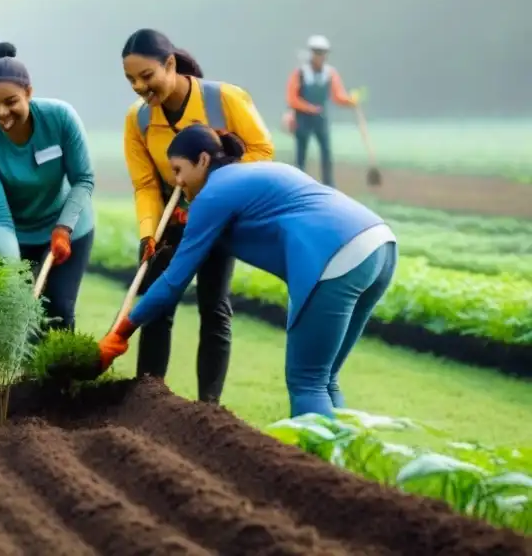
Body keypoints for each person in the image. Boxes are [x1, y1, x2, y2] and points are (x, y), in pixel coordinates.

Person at [100, 124, 397, 417]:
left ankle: (317, 464)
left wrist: (122, 331)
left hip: (335, 256)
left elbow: (173, 282)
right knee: (325, 379)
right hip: (379, 245)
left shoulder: (213, 195)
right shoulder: (249, 174)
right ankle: (343, 462)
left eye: (178, 170)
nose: (176, 182)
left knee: (307, 384)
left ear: (203, 160)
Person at [121, 28, 273, 402]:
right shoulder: (138, 121)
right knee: (156, 303)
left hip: (220, 216)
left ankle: (208, 407)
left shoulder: (224, 99)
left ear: (169, 64)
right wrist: (148, 233)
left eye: (147, 76)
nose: (140, 87)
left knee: (213, 305)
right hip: (171, 221)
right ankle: (147, 396)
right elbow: (145, 185)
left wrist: (215, 172)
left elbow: (263, 153)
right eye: (131, 80)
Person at [0, 42, 95, 332]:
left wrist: (64, 228)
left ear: (29, 93)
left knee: (58, 313)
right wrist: (14, 274)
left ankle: (62, 378)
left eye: (11, 101)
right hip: (13, 234)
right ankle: (26, 378)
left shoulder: (60, 119)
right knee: (17, 320)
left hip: (67, 225)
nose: (1, 112)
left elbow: (83, 179)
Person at [284, 35, 359, 188]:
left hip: (321, 118)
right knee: (301, 153)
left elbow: (337, 95)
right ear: (311, 53)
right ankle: (298, 184)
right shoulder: (300, 73)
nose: (320, 56)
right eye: (317, 52)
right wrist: (308, 107)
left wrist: (350, 101)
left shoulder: (330, 73)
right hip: (303, 118)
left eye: (323, 52)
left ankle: (329, 184)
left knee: (326, 151)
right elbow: (292, 98)